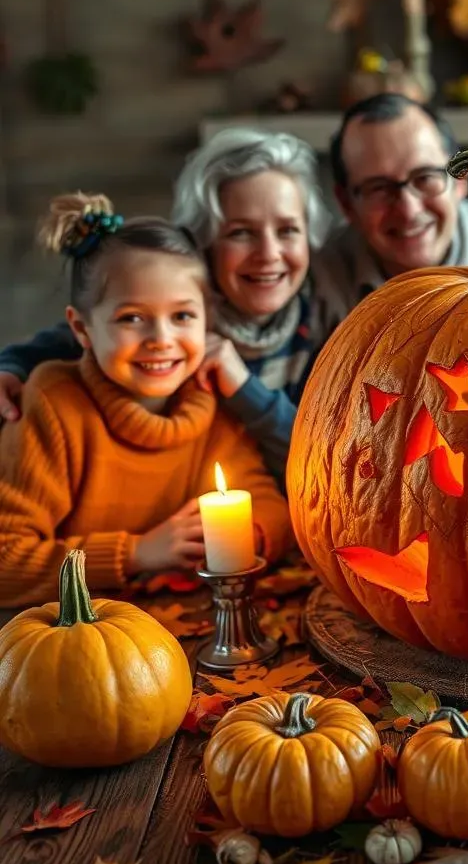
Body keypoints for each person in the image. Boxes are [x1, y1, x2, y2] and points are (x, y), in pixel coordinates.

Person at [0, 193, 293, 606]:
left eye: (182, 316)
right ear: (81, 330)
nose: (161, 340)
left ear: (208, 320)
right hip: (73, 639)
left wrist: (246, 533)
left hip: (180, 623)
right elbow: (6, 559)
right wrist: (136, 552)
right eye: (132, 318)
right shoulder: (53, 403)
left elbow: (273, 508)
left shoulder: (207, 398)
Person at [0, 129, 338, 479]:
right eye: (241, 232)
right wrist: (10, 367)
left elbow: (325, 471)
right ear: (202, 242)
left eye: (288, 231)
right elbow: (77, 335)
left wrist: (243, 389)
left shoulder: (322, 333)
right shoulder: (173, 326)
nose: (269, 254)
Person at [315, 92, 468, 314]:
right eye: (378, 188)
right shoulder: (318, 284)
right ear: (347, 204)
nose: (408, 210)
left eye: (424, 178)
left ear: (461, 178)